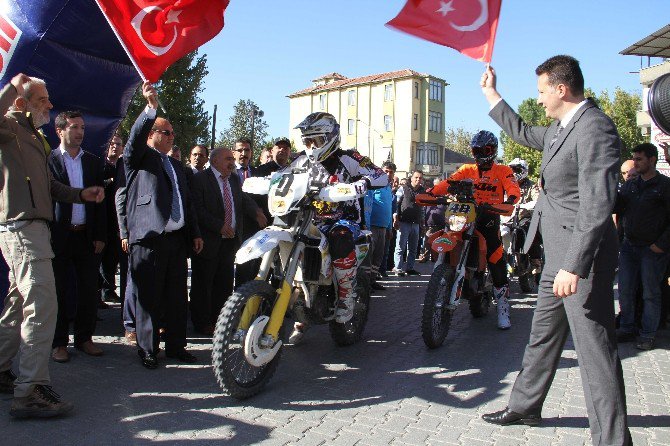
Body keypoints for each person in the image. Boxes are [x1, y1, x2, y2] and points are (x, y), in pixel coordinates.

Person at [479, 56, 632, 445]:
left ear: (561, 89)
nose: (541, 99)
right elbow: (520, 130)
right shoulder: (561, 127)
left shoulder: (595, 129)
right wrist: (492, 94)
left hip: (582, 262)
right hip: (557, 257)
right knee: (543, 336)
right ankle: (526, 405)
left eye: (542, 91)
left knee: (595, 351)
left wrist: (575, 266)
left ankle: (613, 439)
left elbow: (599, 204)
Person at [0, 73, 104, 418]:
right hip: (23, 229)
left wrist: (79, 194)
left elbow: (50, 187)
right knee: (42, 307)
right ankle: (29, 392)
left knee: (19, 303)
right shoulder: (9, 128)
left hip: (35, 228)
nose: (50, 105)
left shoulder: (34, 136)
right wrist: (12, 86)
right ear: (22, 103)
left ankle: (2, 370)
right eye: (42, 99)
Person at [288, 112, 387, 344]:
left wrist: (364, 182)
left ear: (331, 137)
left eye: (316, 141)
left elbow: (380, 175)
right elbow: (282, 177)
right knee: (289, 240)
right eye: (307, 141)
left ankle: (346, 297)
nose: (311, 147)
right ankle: (296, 309)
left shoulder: (349, 157)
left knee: (339, 234)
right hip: (308, 220)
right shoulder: (301, 160)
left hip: (344, 220)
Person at [124, 81, 203, 370]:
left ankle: (176, 346)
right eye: (166, 132)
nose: (172, 137)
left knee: (176, 297)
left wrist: (193, 232)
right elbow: (133, 139)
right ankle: (147, 349)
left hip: (176, 240)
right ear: (152, 134)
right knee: (148, 297)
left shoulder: (175, 165)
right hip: (149, 238)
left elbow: (187, 202)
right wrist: (150, 108)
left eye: (172, 133)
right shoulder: (139, 158)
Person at [432, 132, 520, 329]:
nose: (480, 153)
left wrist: (511, 200)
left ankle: (503, 305)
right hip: (464, 214)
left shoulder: (503, 170)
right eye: (476, 150)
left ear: (493, 150)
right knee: (449, 235)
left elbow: (513, 188)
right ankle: (446, 276)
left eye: (484, 150)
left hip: (489, 216)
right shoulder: (467, 169)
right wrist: (432, 192)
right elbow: (449, 183)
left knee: (495, 256)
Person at [48, 111, 107, 362]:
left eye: (82, 127)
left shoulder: (93, 162)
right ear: (60, 131)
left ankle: (84, 338)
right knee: (58, 292)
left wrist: (101, 235)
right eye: (74, 127)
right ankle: (59, 342)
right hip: (58, 236)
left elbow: (101, 203)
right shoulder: (48, 160)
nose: (80, 132)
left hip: (86, 237)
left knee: (88, 291)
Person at [189, 148, 266, 335]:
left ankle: (219, 321)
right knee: (204, 284)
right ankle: (202, 322)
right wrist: (218, 226)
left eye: (232, 159)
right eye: (228, 159)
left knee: (223, 284)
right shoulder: (200, 179)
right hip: (208, 241)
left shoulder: (232, 178)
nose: (232, 162)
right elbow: (197, 209)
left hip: (229, 242)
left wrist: (256, 211)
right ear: (215, 161)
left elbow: (242, 198)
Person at [614, 143, 670, 351]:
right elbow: (618, 208)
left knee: (650, 293)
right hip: (630, 246)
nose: (635, 163)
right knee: (626, 290)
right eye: (634, 159)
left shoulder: (664, 186)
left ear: (652, 160)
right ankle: (627, 327)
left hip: (652, 249)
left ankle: (648, 334)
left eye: (639, 159)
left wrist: (661, 245)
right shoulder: (630, 185)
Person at [500, 158, 542, 271]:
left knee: (529, 230)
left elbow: (537, 198)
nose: (513, 173)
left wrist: (530, 204)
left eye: (516, 170)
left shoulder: (531, 186)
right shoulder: (505, 185)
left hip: (523, 216)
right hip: (506, 218)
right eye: (511, 170)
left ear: (523, 171)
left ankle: (535, 262)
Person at [99, 133, 125, 306]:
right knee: (102, 258)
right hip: (103, 219)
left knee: (113, 258)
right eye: (112, 143)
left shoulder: (121, 167)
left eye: (118, 144)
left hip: (118, 221)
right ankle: (101, 291)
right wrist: (109, 181)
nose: (115, 147)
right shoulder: (100, 165)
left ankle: (109, 289)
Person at [366, 161, 395, 291]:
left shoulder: (389, 188)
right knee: (368, 256)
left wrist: (389, 228)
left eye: (391, 172)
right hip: (371, 226)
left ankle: (372, 281)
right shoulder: (374, 185)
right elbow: (368, 204)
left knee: (378, 256)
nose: (388, 174)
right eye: (386, 171)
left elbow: (389, 208)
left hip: (383, 227)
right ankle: (364, 284)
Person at [393, 170, 425, 276]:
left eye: (420, 178)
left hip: (416, 223)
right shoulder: (403, 188)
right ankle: (398, 268)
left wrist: (422, 223)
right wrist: (396, 218)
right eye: (416, 177)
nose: (418, 179)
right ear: (411, 178)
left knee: (413, 248)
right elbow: (396, 204)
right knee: (400, 246)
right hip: (403, 222)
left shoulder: (422, 191)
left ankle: (410, 268)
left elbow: (423, 209)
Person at [418, 178, 446, 263]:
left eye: (439, 185)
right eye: (436, 185)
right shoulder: (429, 195)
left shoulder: (445, 196)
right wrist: (423, 221)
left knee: (439, 243)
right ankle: (424, 257)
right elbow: (423, 208)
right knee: (428, 242)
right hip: (430, 224)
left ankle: (436, 258)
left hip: (442, 224)